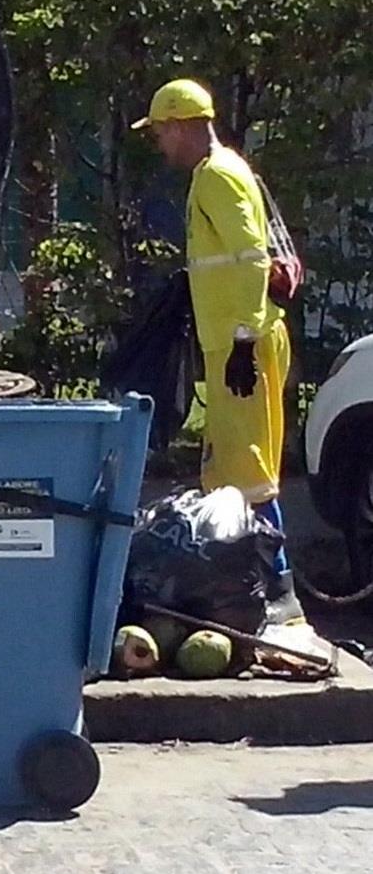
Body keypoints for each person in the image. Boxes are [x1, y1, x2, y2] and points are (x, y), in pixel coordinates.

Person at [132, 79, 301, 623]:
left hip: (241, 348)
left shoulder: (217, 177)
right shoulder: (222, 171)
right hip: (237, 343)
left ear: (181, 125)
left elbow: (252, 258)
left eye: (160, 132)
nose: (160, 143)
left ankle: (276, 593)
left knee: (245, 473)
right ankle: (266, 588)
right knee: (238, 467)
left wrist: (244, 343)